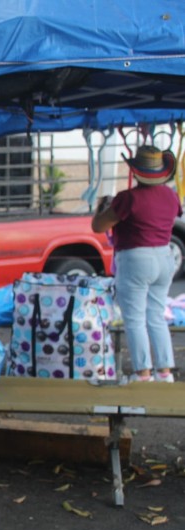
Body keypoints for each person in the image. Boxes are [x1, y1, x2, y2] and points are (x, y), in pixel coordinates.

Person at [92, 145, 181, 383]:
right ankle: (164, 372)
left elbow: (98, 226)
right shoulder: (171, 195)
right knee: (156, 316)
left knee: (135, 318)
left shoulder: (127, 198)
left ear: (135, 170)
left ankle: (143, 374)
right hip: (165, 256)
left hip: (135, 258)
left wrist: (102, 209)